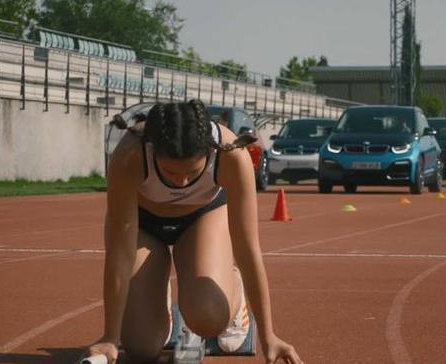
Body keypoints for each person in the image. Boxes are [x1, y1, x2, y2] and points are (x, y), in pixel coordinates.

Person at [86, 100, 303, 364]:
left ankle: (233, 292)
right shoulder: (129, 154)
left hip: (202, 218)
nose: (182, 182)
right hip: (144, 224)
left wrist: (269, 335)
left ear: (210, 152)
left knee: (208, 317)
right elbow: (120, 254)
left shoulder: (231, 154)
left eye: (192, 172)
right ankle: (155, 290)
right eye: (170, 172)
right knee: (141, 348)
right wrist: (110, 337)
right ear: (152, 149)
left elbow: (248, 250)